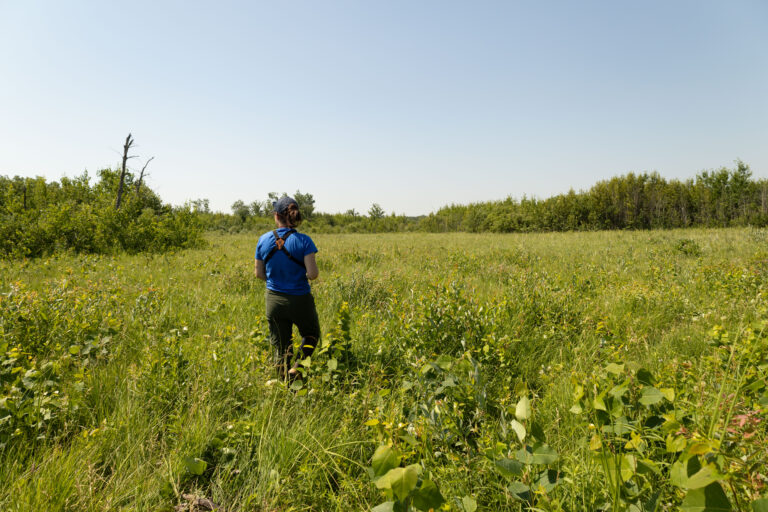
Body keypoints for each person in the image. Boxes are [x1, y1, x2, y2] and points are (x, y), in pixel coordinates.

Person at [255, 196, 320, 380]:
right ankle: (297, 368)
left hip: (273, 299)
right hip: (300, 299)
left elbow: (259, 274)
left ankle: (284, 385)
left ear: (276, 216)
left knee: (280, 345)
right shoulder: (304, 241)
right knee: (311, 334)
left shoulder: (263, 239)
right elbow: (313, 274)